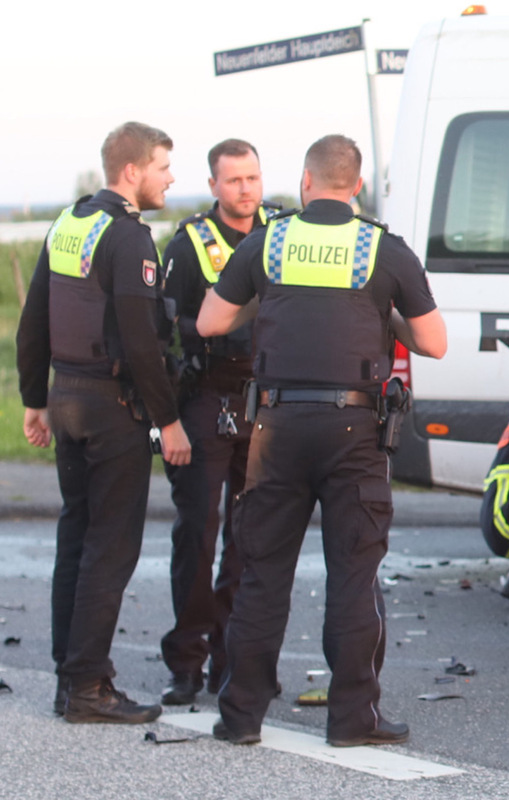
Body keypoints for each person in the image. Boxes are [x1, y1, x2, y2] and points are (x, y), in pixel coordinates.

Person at [196, 134, 447, 746]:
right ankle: (352, 720)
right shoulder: (382, 250)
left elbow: (210, 322)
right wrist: (377, 307)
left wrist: (269, 299)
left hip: (275, 428)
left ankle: (240, 717)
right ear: (356, 187)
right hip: (353, 432)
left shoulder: (269, 240)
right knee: (353, 575)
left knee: (262, 574)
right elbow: (433, 341)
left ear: (306, 183)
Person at [16, 121, 192, 723]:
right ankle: (89, 687)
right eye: (164, 167)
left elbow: (33, 315)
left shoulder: (69, 224)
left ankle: (72, 678)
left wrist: (33, 399)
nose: (171, 178)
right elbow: (143, 343)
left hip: (66, 398)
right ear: (132, 171)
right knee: (109, 550)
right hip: (111, 406)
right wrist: (169, 420)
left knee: (76, 539)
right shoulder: (128, 238)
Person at [159, 139, 272, 705]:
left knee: (249, 537)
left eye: (252, 178)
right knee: (197, 534)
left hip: (262, 403)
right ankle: (187, 661)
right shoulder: (189, 244)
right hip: (205, 399)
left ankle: (234, 657)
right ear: (213, 187)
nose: (245, 190)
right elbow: (165, 332)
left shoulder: (280, 236)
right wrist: (166, 421)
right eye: (233, 181)